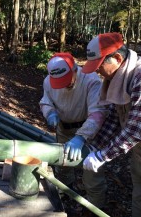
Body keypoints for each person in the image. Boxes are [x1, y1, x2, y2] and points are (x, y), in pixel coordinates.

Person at [82, 32, 141, 217]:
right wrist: (93, 147)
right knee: (139, 203)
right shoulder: (119, 78)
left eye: (99, 67)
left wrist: (102, 156)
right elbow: (115, 118)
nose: (97, 72)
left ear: (117, 58)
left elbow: (137, 128)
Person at [39, 52, 107, 212]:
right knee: (62, 167)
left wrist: (81, 137)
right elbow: (45, 101)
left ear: (75, 69)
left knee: (92, 172)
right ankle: (66, 194)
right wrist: (50, 114)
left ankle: (95, 208)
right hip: (63, 128)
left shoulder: (91, 80)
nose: (63, 85)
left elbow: (97, 113)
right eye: (59, 82)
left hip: (89, 132)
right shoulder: (48, 81)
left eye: (66, 80)